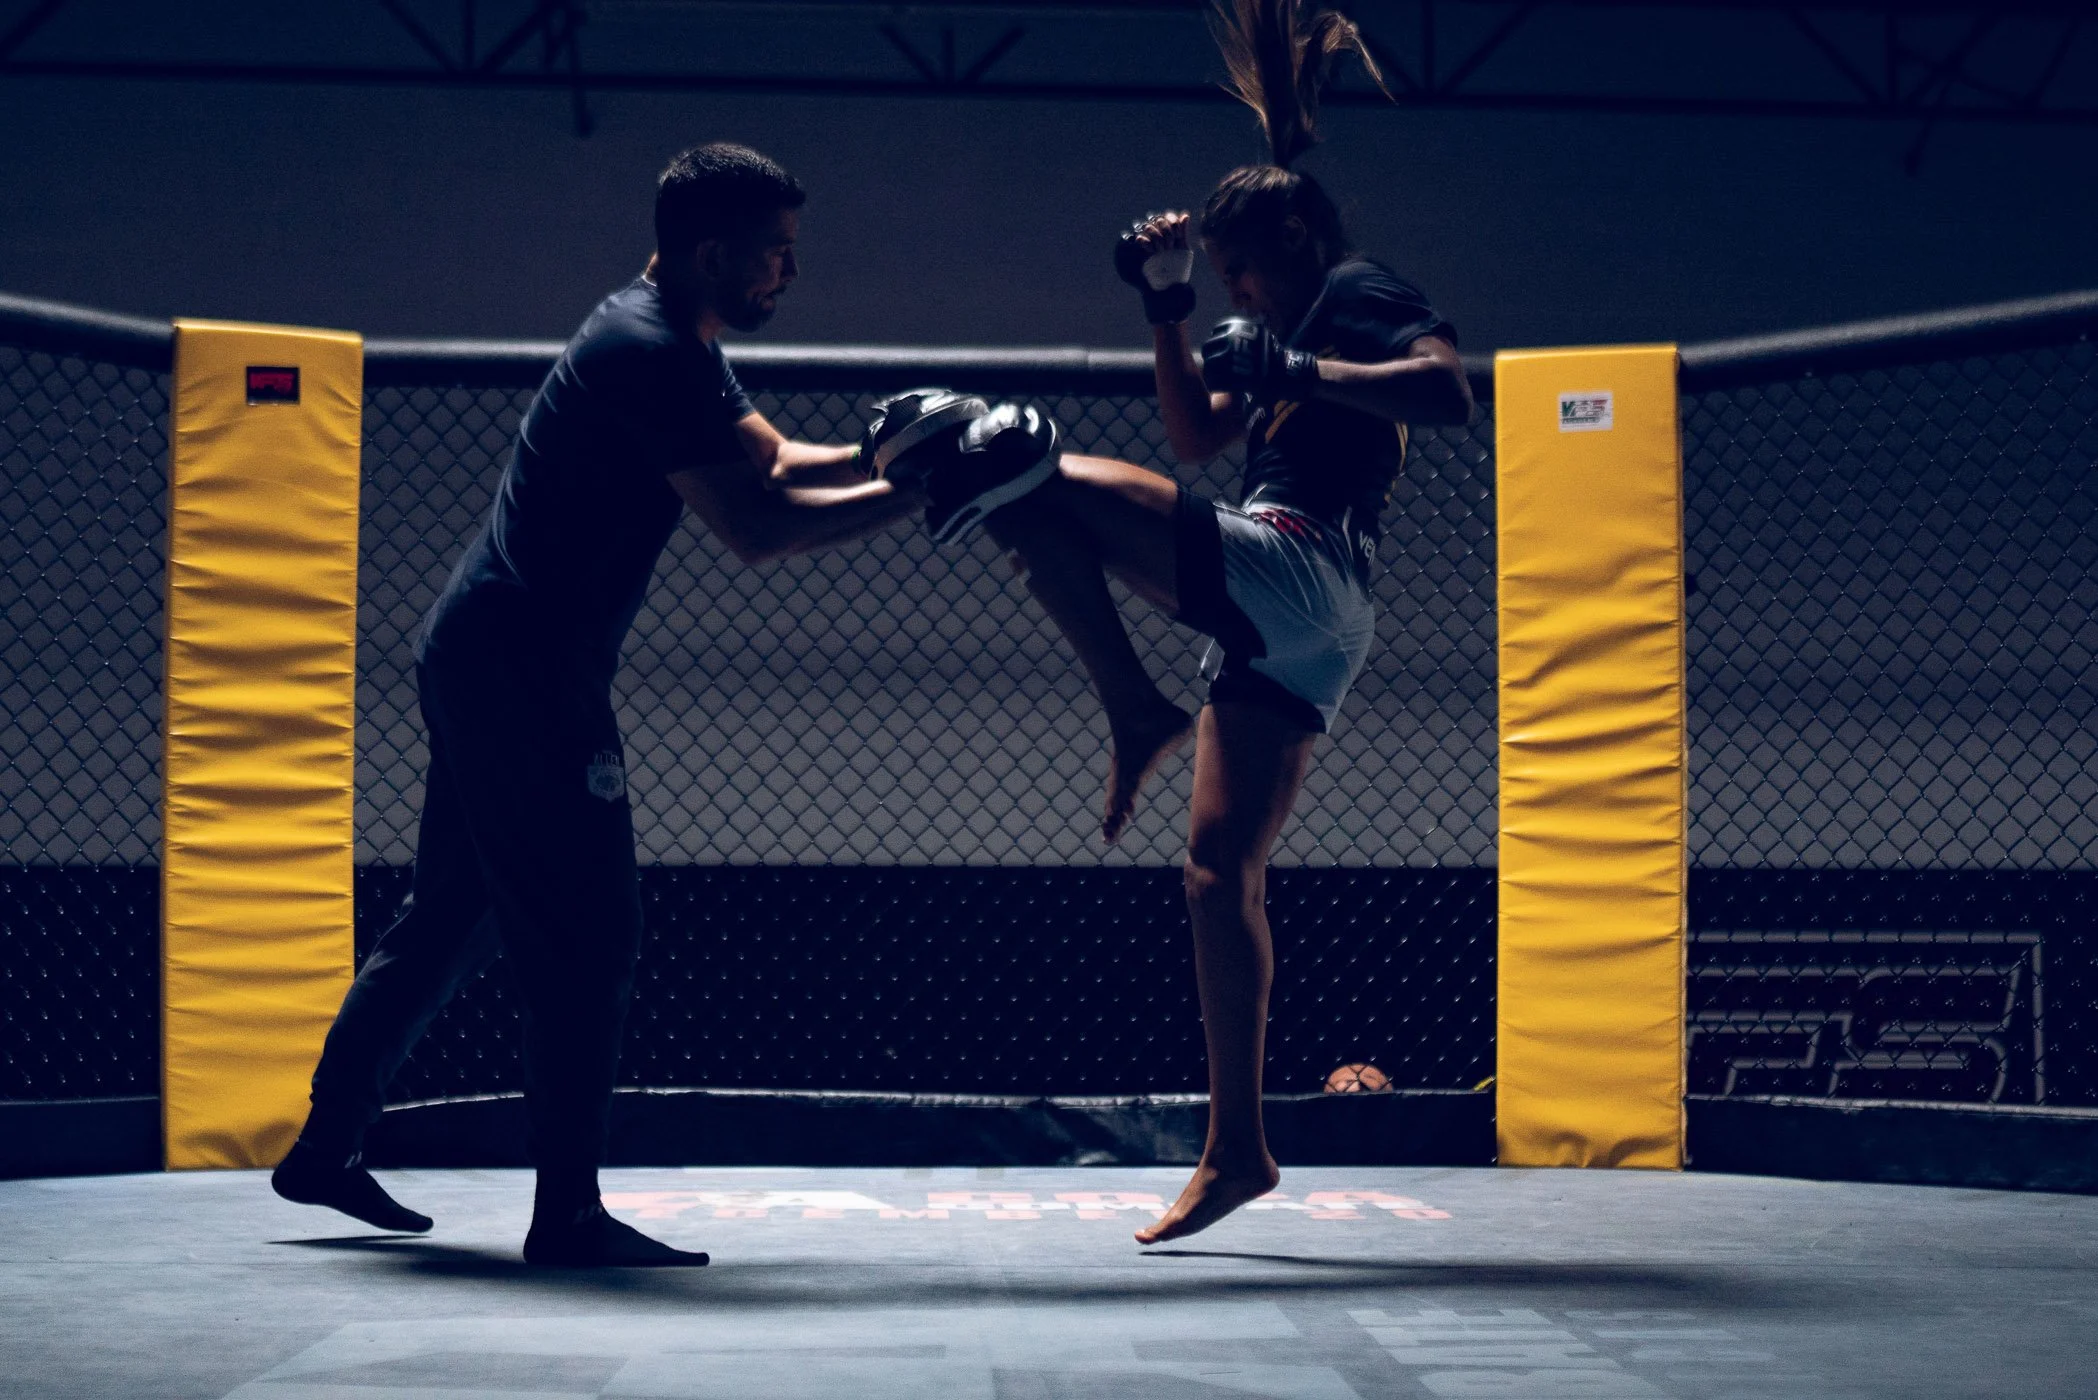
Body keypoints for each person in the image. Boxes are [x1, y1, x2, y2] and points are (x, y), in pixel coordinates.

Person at [269, 142, 1047, 1266]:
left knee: (451, 912)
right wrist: (924, 490)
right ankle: (567, 1213)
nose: (788, 275)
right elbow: (759, 527)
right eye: (775, 256)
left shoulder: (671, 330)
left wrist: (895, 449)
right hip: (527, 673)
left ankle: (323, 1148)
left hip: (495, 652)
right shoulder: (644, 346)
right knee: (589, 934)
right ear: (712, 251)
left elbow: (775, 459)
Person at [953, 0, 1474, 1243]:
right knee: (1211, 874)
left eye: (1240, 273)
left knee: (1021, 467)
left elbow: (1448, 387)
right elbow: (1193, 435)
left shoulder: (1349, 290)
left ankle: (1135, 706)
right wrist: (1168, 304)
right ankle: (1238, 1147)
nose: (1241, 293)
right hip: (1291, 627)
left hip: (1295, 565)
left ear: (1289, 242)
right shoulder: (1274, 316)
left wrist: (1310, 370)